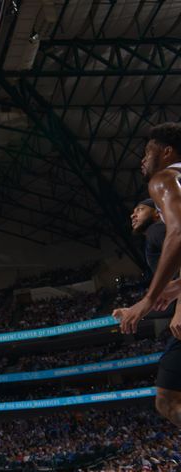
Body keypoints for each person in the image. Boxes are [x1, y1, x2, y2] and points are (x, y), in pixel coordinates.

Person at [113, 123, 181, 427]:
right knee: (167, 397)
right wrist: (171, 291)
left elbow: (179, 234)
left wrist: (150, 298)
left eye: (147, 151)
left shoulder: (164, 179)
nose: (142, 159)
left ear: (166, 152)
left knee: (168, 399)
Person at [131, 198, 165, 277]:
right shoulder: (154, 232)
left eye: (140, 209)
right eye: (133, 212)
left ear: (156, 213)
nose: (132, 215)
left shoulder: (155, 229)